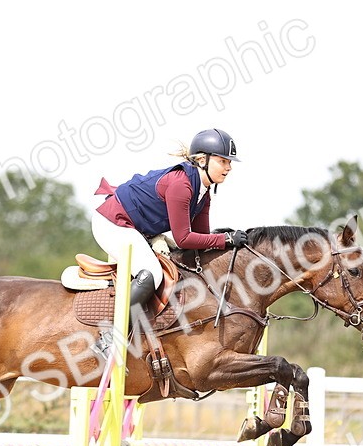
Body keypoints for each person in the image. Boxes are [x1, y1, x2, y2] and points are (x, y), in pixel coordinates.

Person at [90, 128, 249, 357]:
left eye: (229, 162)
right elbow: (184, 238)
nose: (229, 167)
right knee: (152, 274)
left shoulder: (203, 193)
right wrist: (225, 239)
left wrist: (227, 243)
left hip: (135, 228)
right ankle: (109, 337)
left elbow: (201, 239)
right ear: (202, 160)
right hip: (112, 222)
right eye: (223, 161)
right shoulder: (181, 185)